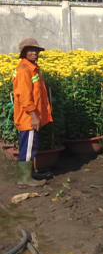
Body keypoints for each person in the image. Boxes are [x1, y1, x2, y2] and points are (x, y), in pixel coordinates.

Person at [13, 38, 53, 188]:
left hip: (31, 117)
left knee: (31, 145)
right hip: (28, 118)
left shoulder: (31, 68)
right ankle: (24, 179)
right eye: (30, 50)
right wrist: (34, 116)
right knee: (28, 147)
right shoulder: (23, 69)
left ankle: (30, 174)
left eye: (35, 50)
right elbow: (24, 96)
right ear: (23, 52)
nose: (34, 52)